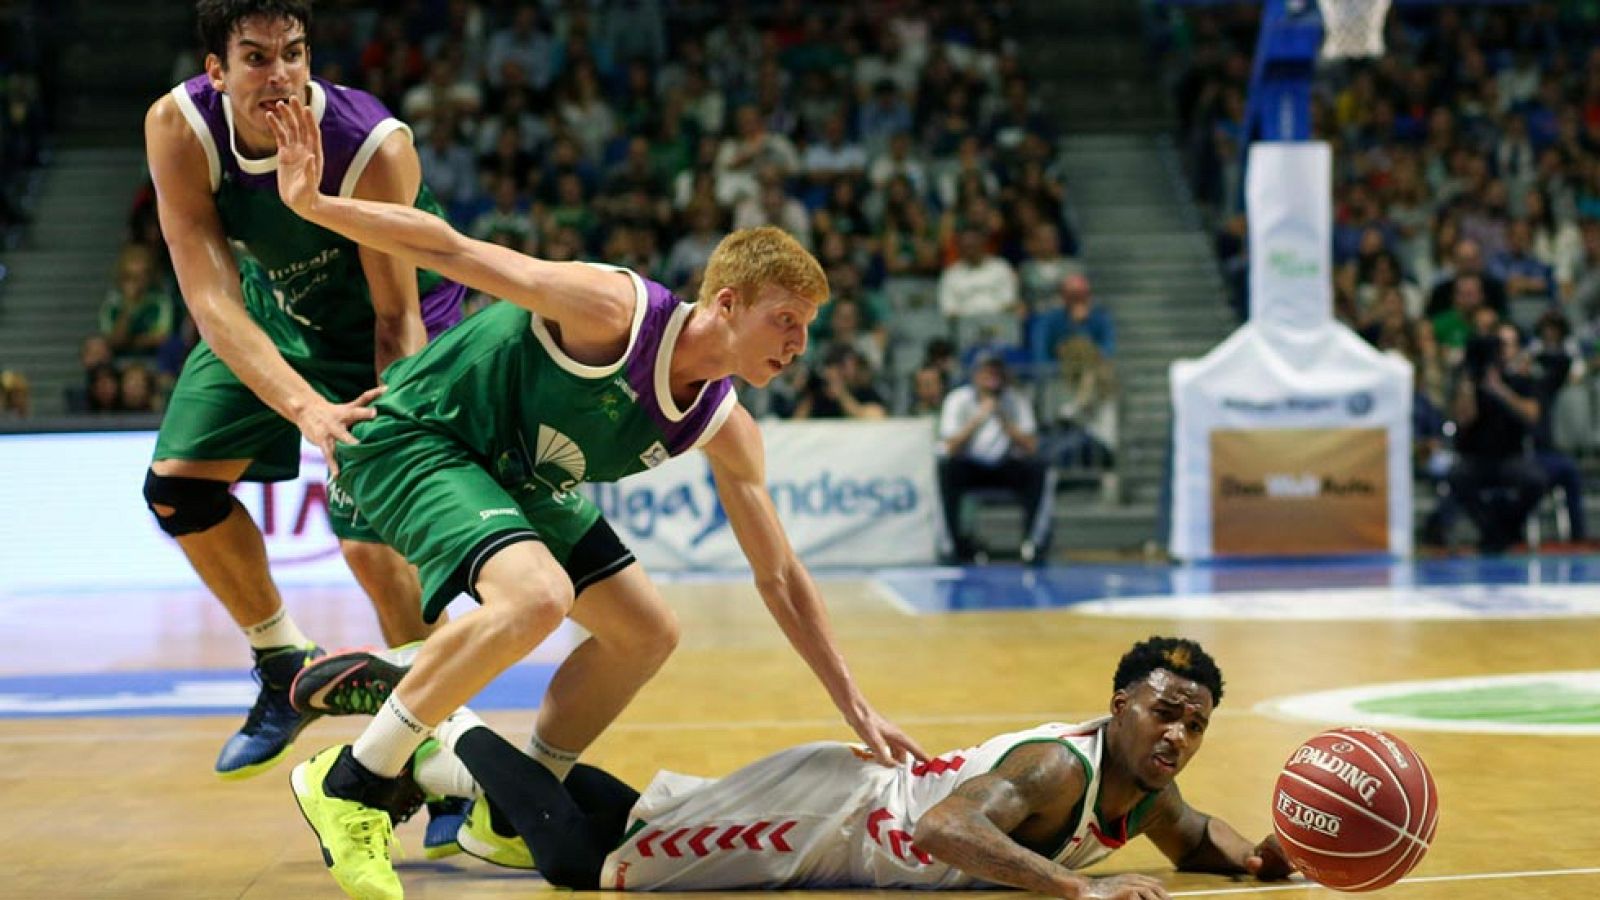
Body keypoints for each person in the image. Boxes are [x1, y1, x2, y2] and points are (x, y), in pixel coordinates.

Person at [263, 94, 923, 900]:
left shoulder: (726, 425)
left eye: (809, 328)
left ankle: (511, 809)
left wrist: (854, 705)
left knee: (646, 631)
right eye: (786, 320)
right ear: (726, 304)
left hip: (519, 475)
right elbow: (457, 250)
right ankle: (352, 784)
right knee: (537, 596)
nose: (799, 345)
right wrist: (316, 204)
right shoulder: (614, 311)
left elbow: (779, 575)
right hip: (419, 436)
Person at [140, 0, 467, 845]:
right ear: (216, 70)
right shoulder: (178, 129)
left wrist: (382, 446)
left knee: (373, 543)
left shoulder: (373, 145)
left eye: (294, 53)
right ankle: (282, 657)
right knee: (177, 491)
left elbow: (397, 318)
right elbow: (210, 300)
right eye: (255, 57)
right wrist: (303, 407)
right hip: (277, 315)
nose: (280, 73)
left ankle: (446, 761)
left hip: (395, 328)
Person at [294, 636, 1291, 899]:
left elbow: (1195, 838)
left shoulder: (1146, 788)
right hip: (832, 818)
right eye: (1163, 712)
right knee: (583, 869)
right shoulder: (1055, 772)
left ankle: (420, 775)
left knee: (635, 815)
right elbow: (946, 828)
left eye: (1193, 724)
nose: (1176, 735)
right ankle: (435, 716)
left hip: (837, 814)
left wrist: (1265, 863)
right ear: (1117, 705)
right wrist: (1071, 887)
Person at [937, 353, 1052, 564]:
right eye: (987, 371)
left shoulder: (1016, 400)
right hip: (970, 466)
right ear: (975, 375)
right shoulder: (957, 399)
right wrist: (978, 418)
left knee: (1038, 468)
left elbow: (1031, 446)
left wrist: (1002, 417)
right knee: (945, 468)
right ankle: (950, 546)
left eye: (997, 372)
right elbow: (950, 447)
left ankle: (1033, 545)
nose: (992, 376)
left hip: (1004, 466)